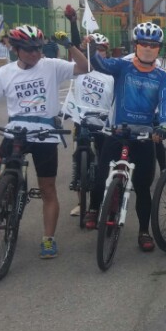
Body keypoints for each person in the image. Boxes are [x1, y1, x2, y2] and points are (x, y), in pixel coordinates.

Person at [0, 23, 89, 258]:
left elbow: (84, 67)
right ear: (15, 49)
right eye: (29, 49)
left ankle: (48, 239)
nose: (35, 53)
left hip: (45, 135)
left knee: (47, 189)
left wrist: (70, 46)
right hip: (15, 133)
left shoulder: (51, 66)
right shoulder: (5, 73)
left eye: (38, 48)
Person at [87, 22, 166, 252]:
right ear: (135, 45)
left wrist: (164, 125)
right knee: (101, 178)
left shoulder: (163, 76)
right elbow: (100, 64)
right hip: (117, 132)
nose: (148, 48)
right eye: (143, 43)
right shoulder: (122, 66)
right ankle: (97, 209)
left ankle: (144, 232)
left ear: (159, 48)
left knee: (143, 189)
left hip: (144, 137)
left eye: (153, 45)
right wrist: (92, 48)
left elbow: (165, 103)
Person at [62, 32, 115, 217]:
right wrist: (73, 23)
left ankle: (103, 199)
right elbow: (75, 48)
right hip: (82, 122)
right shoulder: (80, 69)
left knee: (103, 164)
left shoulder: (111, 73)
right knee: (79, 163)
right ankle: (81, 202)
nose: (98, 52)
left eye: (101, 49)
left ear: (107, 52)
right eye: (94, 49)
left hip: (103, 124)